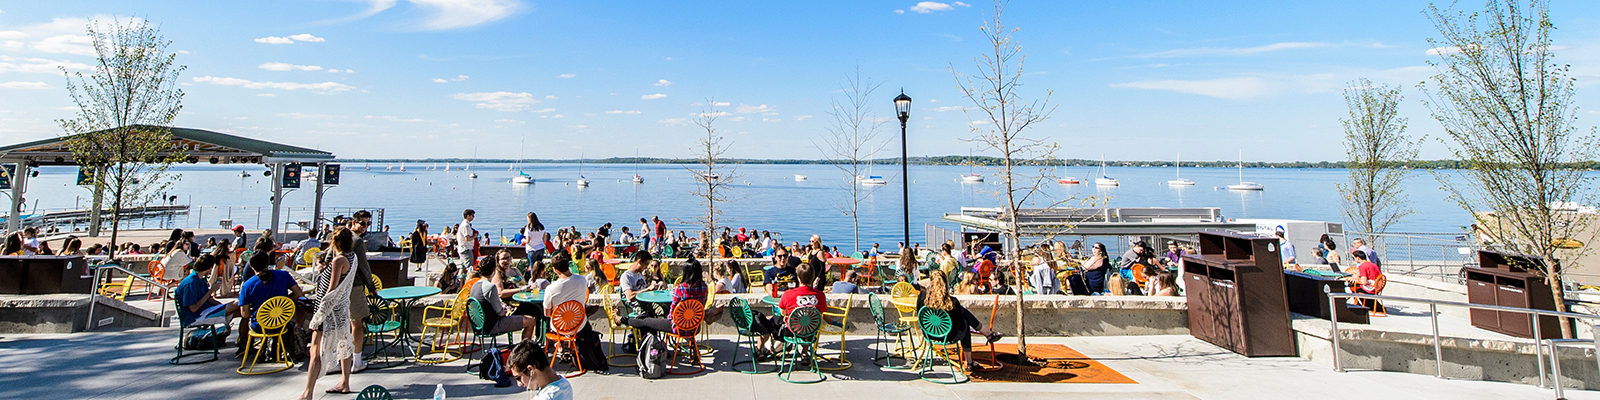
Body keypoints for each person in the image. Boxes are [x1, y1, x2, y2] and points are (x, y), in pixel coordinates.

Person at [297, 228, 358, 399]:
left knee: (315, 349)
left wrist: (320, 311)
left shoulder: (339, 260)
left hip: (328, 310)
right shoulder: (353, 257)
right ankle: (345, 382)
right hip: (342, 308)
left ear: (334, 241)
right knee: (344, 344)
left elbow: (331, 289)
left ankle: (308, 392)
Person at [918, 267, 1002, 371]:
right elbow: (959, 324)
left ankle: (987, 334)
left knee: (963, 317)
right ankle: (970, 361)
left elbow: (919, 315)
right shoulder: (951, 301)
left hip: (928, 334)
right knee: (965, 323)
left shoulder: (922, 298)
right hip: (947, 336)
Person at [616, 256, 712, 336]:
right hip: (694, 327)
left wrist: (665, 320)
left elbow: (673, 312)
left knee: (645, 321)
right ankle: (692, 350)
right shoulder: (704, 287)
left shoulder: (681, 288)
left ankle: (622, 319)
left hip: (679, 327)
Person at [238, 250, 305, 354]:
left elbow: (244, 313)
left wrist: (259, 310)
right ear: (268, 263)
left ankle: (246, 346)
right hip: (283, 321)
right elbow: (299, 293)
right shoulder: (283, 275)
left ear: (251, 266)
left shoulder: (247, 285)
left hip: (261, 325)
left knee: (247, 321)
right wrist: (285, 301)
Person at [471, 250, 541, 342]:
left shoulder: (475, 285)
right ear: (494, 267)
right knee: (531, 320)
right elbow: (500, 311)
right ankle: (525, 348)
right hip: (494, 323)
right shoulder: (491, 285)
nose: (506, 261)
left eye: (508, 258)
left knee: (538, 309)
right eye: (503, 258)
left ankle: (537, 340)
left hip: (479, 325)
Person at [346, 211, 379, 373]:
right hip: (354, 286)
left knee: (341, 325)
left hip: (339, 286)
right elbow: (364, 267)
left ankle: (335, 360)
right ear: (354, 222)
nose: (365, 227)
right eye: (362, 223)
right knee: (356, 324)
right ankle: (357, 361)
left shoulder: (340, 237)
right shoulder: (357, 241)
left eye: (367, 224)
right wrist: (371, 287)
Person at [175, 253, 241, 329]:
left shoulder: (201, 280)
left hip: (205, 310)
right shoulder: (191, 283)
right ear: (209, 268)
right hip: (196, 316)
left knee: (241, 311)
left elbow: (209, 299)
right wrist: (211, 290)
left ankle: (243, 337)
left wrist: (222, 306)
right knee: (237, 303)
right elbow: (193, 308)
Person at [506, 340, 573, 400]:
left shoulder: (546, 397)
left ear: (530, 370)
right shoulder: (564, 383)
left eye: (518, 378)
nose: (519, 384)